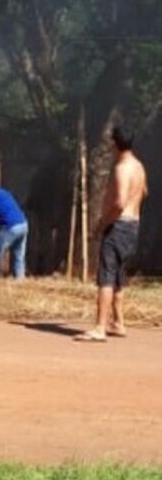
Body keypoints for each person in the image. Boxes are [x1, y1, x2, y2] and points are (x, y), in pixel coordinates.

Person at [76, 126, 148, 342]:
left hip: (119, 225)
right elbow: (144, 191)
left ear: (115, 144)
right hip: (133, 224)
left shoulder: (121, 168)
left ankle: (99, 328)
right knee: (118, 274)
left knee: (106, 276)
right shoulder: (139, 166)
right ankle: (118, 322)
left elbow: (119, 203)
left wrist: (102, 223)